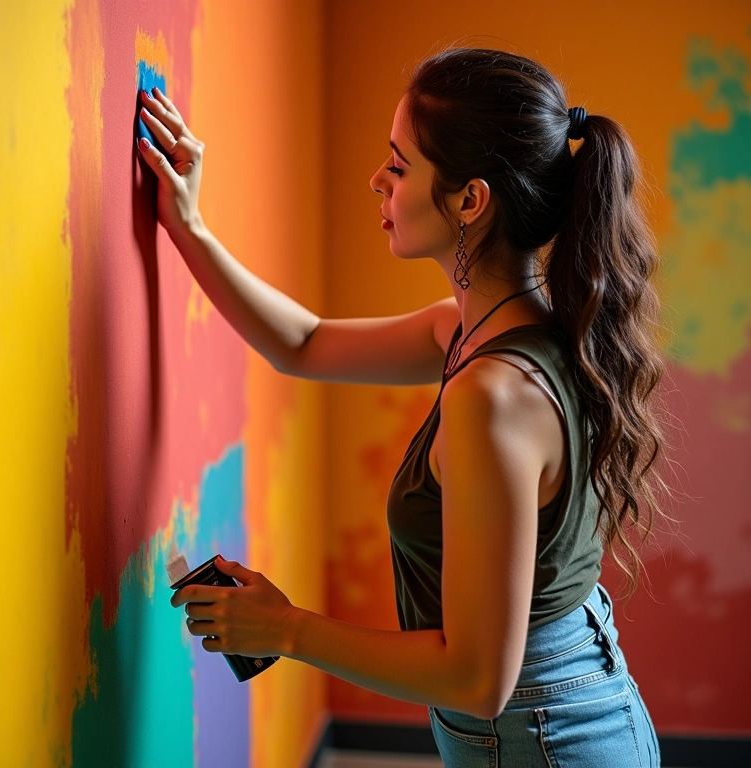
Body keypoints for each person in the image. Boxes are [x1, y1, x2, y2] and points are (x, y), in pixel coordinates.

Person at [140, 46, 666, 767]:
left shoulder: (492, 395)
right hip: (566, 707)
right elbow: (304, 343)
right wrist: (187, 225)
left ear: (469, 200)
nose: (375, 181)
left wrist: (286, 629)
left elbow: (477, 680)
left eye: (399, 165)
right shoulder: (499, 328)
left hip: (545, 741)